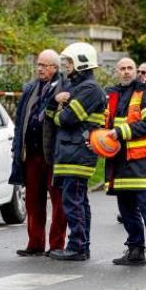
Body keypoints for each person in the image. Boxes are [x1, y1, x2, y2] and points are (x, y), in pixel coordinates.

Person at [106, 57, 146, 269]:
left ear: (136, 71)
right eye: (122, 68)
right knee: (126, 210)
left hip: (141, 161)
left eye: (129, 68)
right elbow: (104, 122)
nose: (126, 72)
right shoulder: (112, 94)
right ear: (117, 72)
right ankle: (135, 250)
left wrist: (121, 132)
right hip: (119, 161)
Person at [46, 42, 106, 261]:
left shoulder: (88, 89)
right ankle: (82, 245)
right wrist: (58, 105)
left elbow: (66, 119)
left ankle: (77, 246)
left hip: (77, 155)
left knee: (73, 202)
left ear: (81, 62)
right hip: (72, 153)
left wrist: (59, 110)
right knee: (78, 201)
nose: (66, 66)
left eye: (69, 62)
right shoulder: (78, 86)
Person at [9, 49, 69, 257]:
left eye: (44, 65)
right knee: (33, 201)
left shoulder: (65, 87)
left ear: (55, 67)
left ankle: (56, 245)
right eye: (38, 65)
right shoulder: (31, 88)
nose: (40, 69)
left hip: (54, 154)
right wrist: (17, 148)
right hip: (32, 153)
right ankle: (35, 243)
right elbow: (21, 121)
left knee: (59, 202)